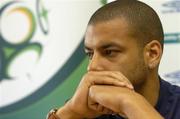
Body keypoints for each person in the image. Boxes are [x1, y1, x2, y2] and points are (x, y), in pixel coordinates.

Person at [46, 0, 180, 119]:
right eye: (90, 54)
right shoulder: (87, 111)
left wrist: (129, 103)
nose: (92, 67)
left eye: (109, 52)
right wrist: (70, 112)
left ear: (152, 54)